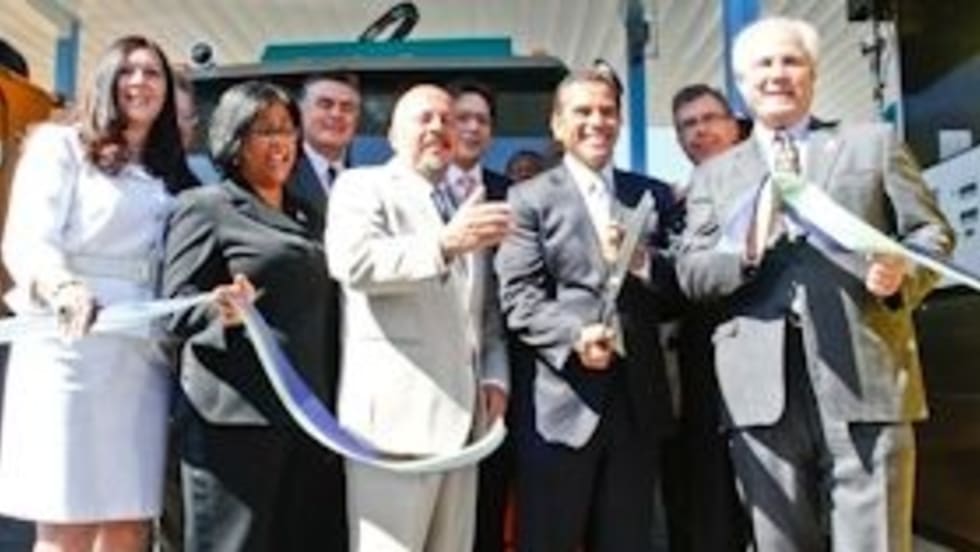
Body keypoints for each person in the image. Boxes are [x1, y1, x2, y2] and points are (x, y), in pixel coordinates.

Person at [676, 16, 955, 552]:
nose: (777, 74)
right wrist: (746, 251)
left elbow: (931, 233)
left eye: (792, 61)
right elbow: (692, 272)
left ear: (813, 73)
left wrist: (903, 273)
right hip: (759, 396)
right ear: (742, 82)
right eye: (764, 63)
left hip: (867, 383)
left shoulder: (871, 144)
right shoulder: (715, 175)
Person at [0, 34, 195, 551]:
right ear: (106, 80)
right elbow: (27, 238)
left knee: (131, 520)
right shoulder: (59, 146)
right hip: (70, 345)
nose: (140, 82)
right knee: (69, 519)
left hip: (141, 354)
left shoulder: (169, 170)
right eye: (128, 71)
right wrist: (61, 285)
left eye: (153, 73)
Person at [495, 69, 681, 551]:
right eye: (583, 111)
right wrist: (574, 335)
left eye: (607, 111)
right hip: (560, 407)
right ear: (557, 125)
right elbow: (519, 296)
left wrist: (645, 264)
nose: (597, 121)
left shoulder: (652, 196)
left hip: (637, 408)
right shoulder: (528, 198)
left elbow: (682, 287)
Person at [326, 83, 512, 552]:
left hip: (464, 430)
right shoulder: (361, 186)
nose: (438, 128)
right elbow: (354, 263)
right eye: (424, 118)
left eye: (447, 120)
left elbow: (480, 311)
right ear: (392, 135)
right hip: (394, 431)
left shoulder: (460, 205)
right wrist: (444, 244)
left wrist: (495, 376)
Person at [162, 80, 347, 551]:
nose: (281, 142)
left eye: (287, 129)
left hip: (307, 420)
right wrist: (218, 308)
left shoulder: (310, 215)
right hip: (235, 423)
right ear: (234, 138)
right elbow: (173, 309)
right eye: (265, 130)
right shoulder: (206, 207)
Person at [659, 83, 747, 552]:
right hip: (700, 377)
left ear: (734, 125)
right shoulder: (674, 205)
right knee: (707, 502)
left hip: (772, 365)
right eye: (687, 125)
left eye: (709, 119)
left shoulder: (773, 181)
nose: (699, 131)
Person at [445, 79, 512, 552]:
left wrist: (497, 377)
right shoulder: (416, 191)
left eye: (481, 120)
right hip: (425, 384)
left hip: (492, 385)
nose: (471, 127)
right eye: (461, 118)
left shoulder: (514, 196)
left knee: (486, 512)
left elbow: (498, 307)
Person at [291, 72, 362, 232]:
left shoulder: (369, 175)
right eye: (325, 105)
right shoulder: (281, 173)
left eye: (347, 108)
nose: (336, 114)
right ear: (301, 112)